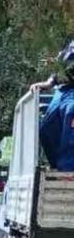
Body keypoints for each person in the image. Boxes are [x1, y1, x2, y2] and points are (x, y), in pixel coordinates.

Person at [33, 40, 74, 170]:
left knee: (70, 114)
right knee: (46, 127)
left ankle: (68, 168)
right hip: (62, 89)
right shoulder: (70, 44)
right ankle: (56, 165)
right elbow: (60, 64)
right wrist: (48, 83)